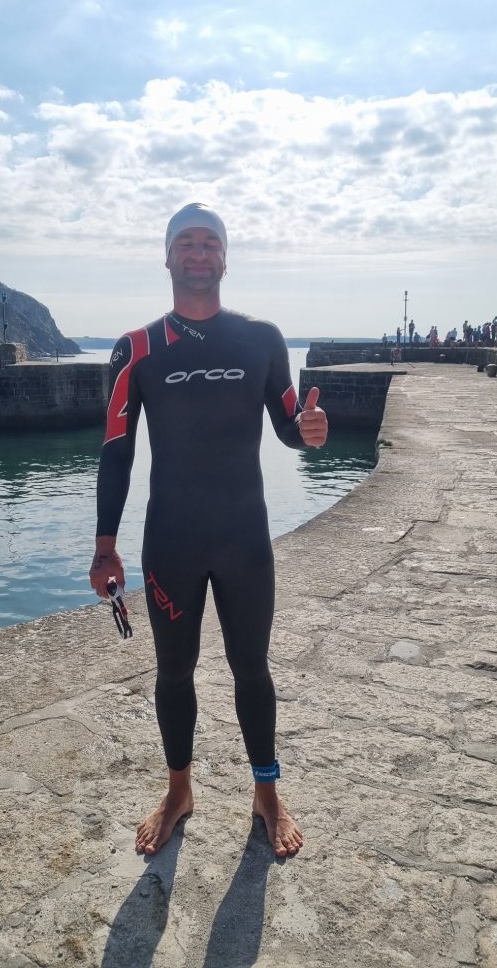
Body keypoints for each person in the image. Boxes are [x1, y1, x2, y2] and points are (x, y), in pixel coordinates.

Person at [89, 203, 328, 859]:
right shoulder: (136, 349)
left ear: (225, 257)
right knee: (174, 673)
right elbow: (116, 450)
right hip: (172, 539)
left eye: (210, 243)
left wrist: (309, 432)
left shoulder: (261, 340)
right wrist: (105, 546)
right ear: (168, 257)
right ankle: (179, 791)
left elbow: (289, 425)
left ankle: (266, 792)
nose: (199, 253)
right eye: (187, 243)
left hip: (244, 537)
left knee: (253, 670)